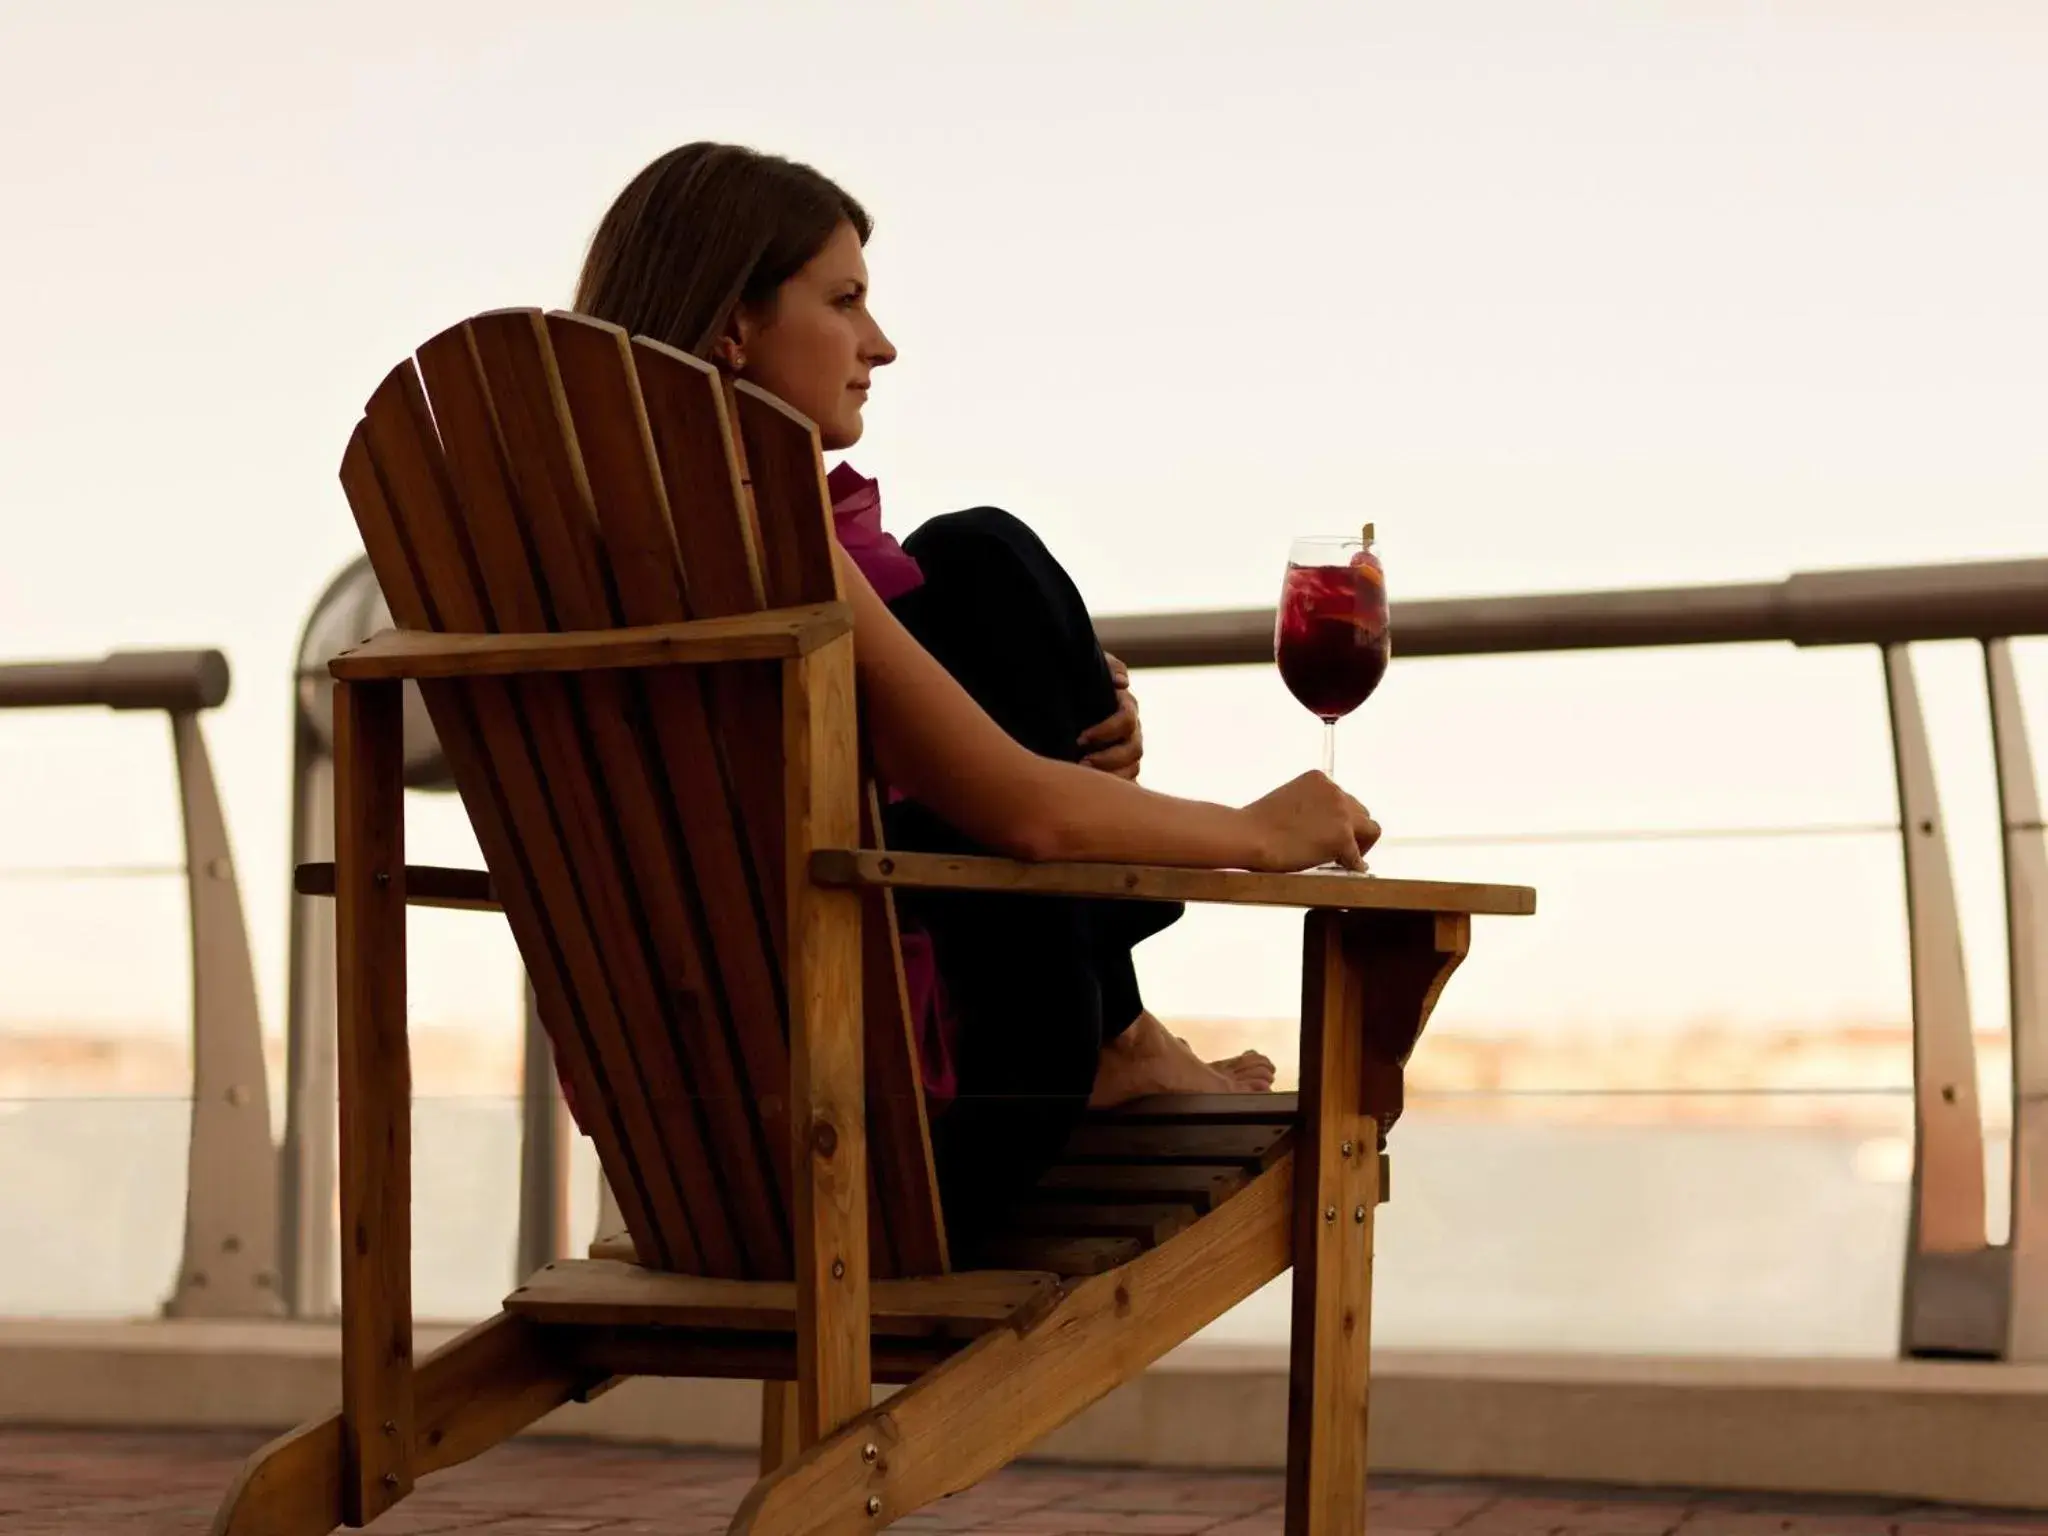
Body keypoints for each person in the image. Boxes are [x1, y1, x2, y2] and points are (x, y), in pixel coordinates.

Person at [574, 143, 1380, 1252]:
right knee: (987, 553)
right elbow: (1027, 816)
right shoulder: (769, 532)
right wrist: (1253, 831)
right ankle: (1119, 1036)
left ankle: (1122, 1038)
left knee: (960, 565)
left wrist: (1043, 718)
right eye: (844, 300)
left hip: (678, 1149)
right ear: (731, 328)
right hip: (883, 1148)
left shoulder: (562, 549)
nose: (880, 344)